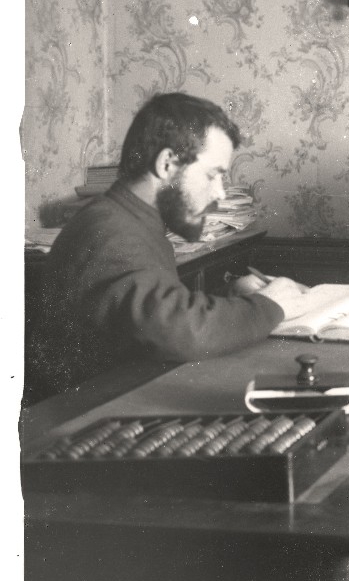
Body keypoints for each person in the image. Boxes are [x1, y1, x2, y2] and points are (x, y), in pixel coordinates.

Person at [36, 92, 318, 395]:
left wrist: (232, 295)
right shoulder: (110, 232)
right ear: (167, 164)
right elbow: (180, 333)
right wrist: (269, 305)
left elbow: (146, 317)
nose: (220, 193)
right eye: (212, 175)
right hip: (84, 411)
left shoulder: (125, 218)